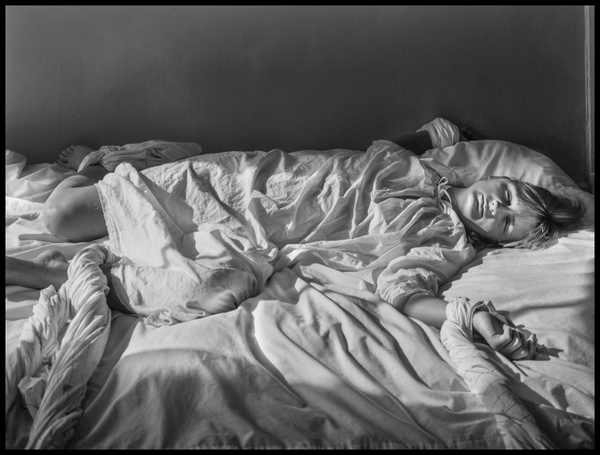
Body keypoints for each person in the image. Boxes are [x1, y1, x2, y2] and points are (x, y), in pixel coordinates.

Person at [5, 120, 585, 361]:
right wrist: (437, 133)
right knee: (59, 215)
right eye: (507, 194)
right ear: (495, 177)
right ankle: (106, 163)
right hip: (239, 181)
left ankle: (60, 269)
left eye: (506, 223)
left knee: (200, 290)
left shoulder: (443, 239)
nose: (496, 208)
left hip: (251, 238)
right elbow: (387, 145)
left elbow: (404, 289)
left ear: (500, 242)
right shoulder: (431, 168)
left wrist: (466, 315)